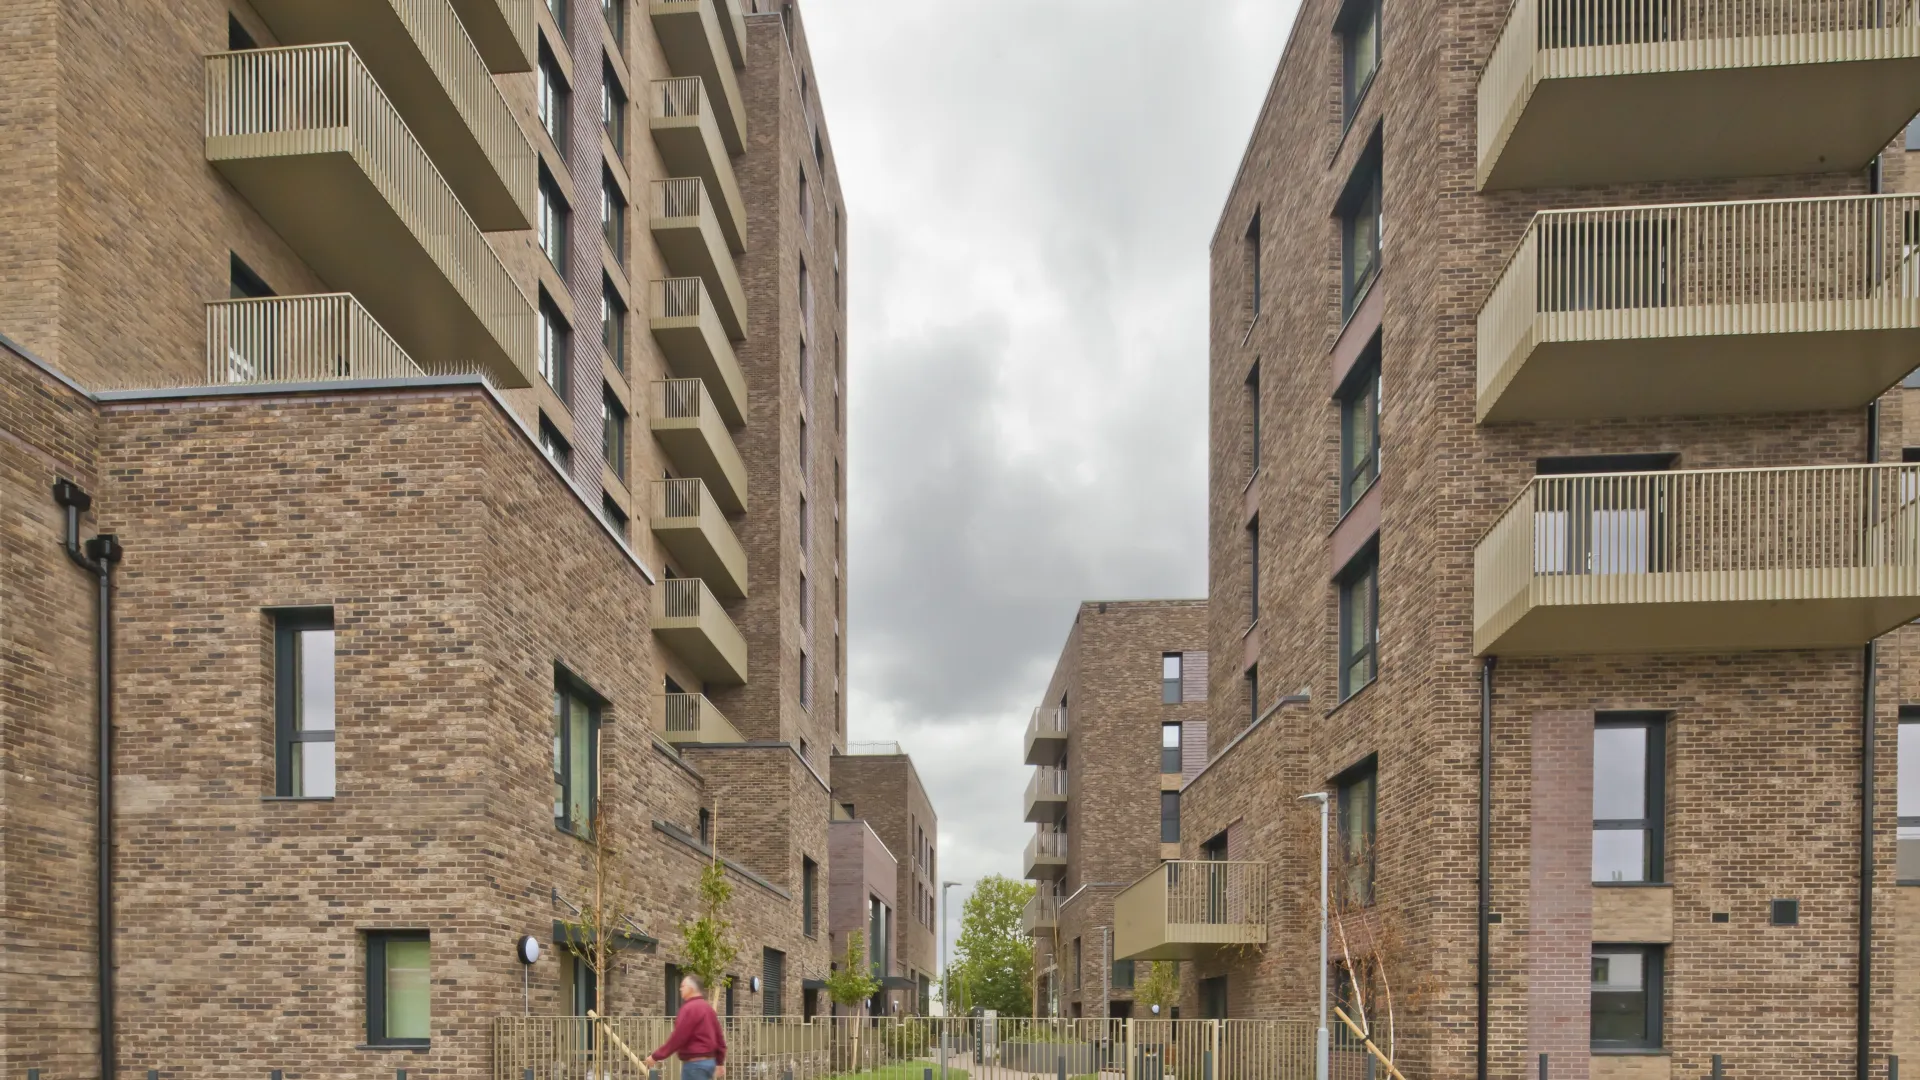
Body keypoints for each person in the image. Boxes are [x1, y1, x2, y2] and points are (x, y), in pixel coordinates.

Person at [642, 974, 727, 1080]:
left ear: (691, 989)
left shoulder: (688, 1009)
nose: (680, 989)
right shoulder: (708, 1009)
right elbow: (719, 1038)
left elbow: (678, 1037)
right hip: (709, 1063)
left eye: (683, 986)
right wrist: (720, 1061)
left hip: (695, 1065)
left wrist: (656, 1056)